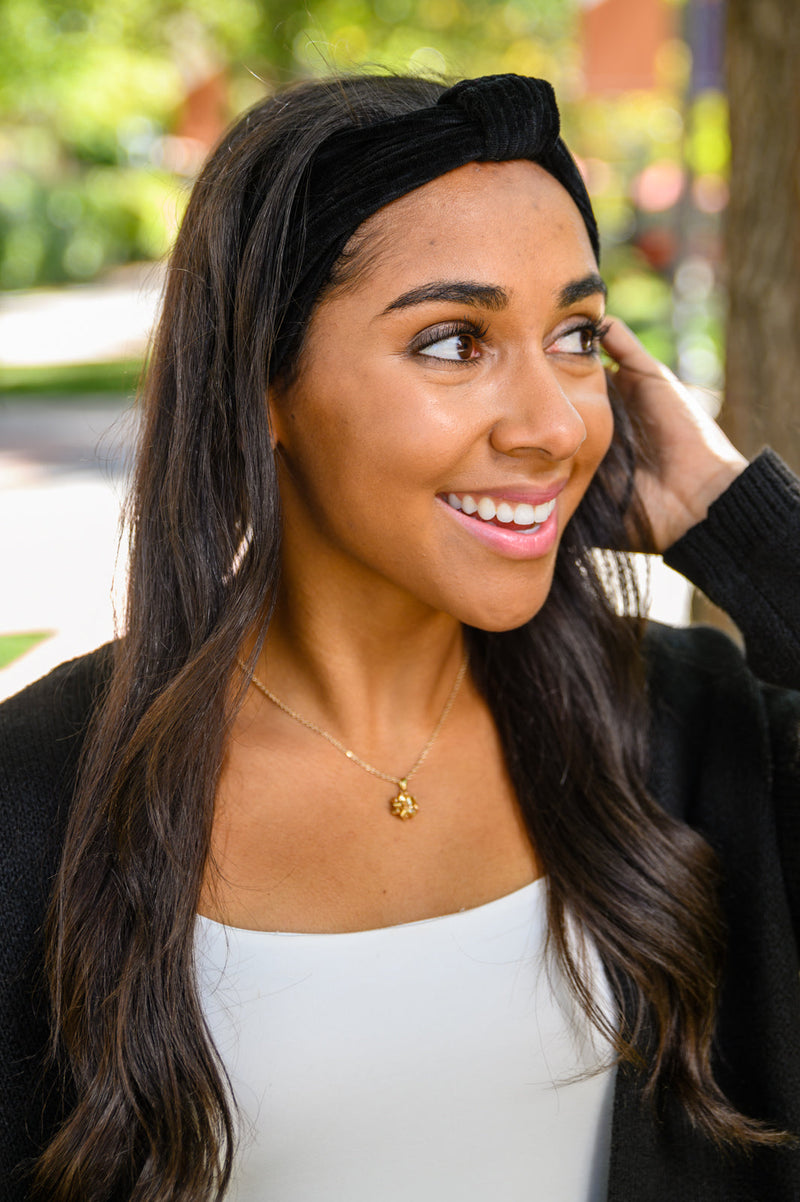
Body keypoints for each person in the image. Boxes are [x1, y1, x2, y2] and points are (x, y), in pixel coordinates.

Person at [1, 71, 798, 1202]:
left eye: (574, 334)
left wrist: (738, 520)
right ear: (261, 385)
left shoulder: (686, 738)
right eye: (451, 342)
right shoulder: (37, 798)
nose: (553, 424)